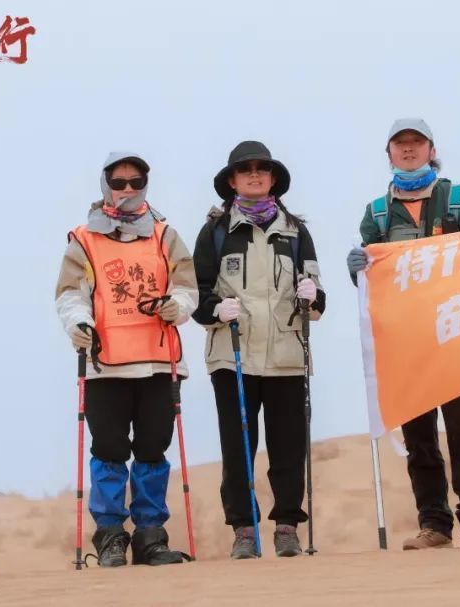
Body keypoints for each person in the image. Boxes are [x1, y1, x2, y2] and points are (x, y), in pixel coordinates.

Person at [346, 118, 460, 549]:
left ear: (432, 150)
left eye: (416, 142)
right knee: (418, 434)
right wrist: (356, 268)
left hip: (454, 331)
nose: (408, 149)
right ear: (389, 153)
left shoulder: (459, 199)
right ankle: (434, 523)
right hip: (405, 339)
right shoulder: (376, 212)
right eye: (400, 144)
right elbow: (370, 280)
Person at [55, 151, 198, 566]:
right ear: (106, 186)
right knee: (109, 448)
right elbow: (70, 293)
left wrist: (177, 305)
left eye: (136, 182)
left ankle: (151, 537)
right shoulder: (84, 239)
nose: (128, 190)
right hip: (106, 363)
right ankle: (110, 536)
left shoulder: (164, 234)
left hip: (158, 360)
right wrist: (78, 323)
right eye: (119, 183)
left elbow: (186, 285)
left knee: (153, 447)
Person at [192, 141, 326, 559]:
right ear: (232, 181)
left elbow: (317, 301)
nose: (254, 175)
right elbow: (196, 296)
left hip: (287, 356)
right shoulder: (215, 232)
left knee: (288, 448)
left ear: (273, 179)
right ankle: (244, 531)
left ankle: (287, 527)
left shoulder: (296, 232)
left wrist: (313, 296)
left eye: (262, 169)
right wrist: (216, 309)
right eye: (245, 169)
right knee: (238, 449)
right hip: (232, 357)